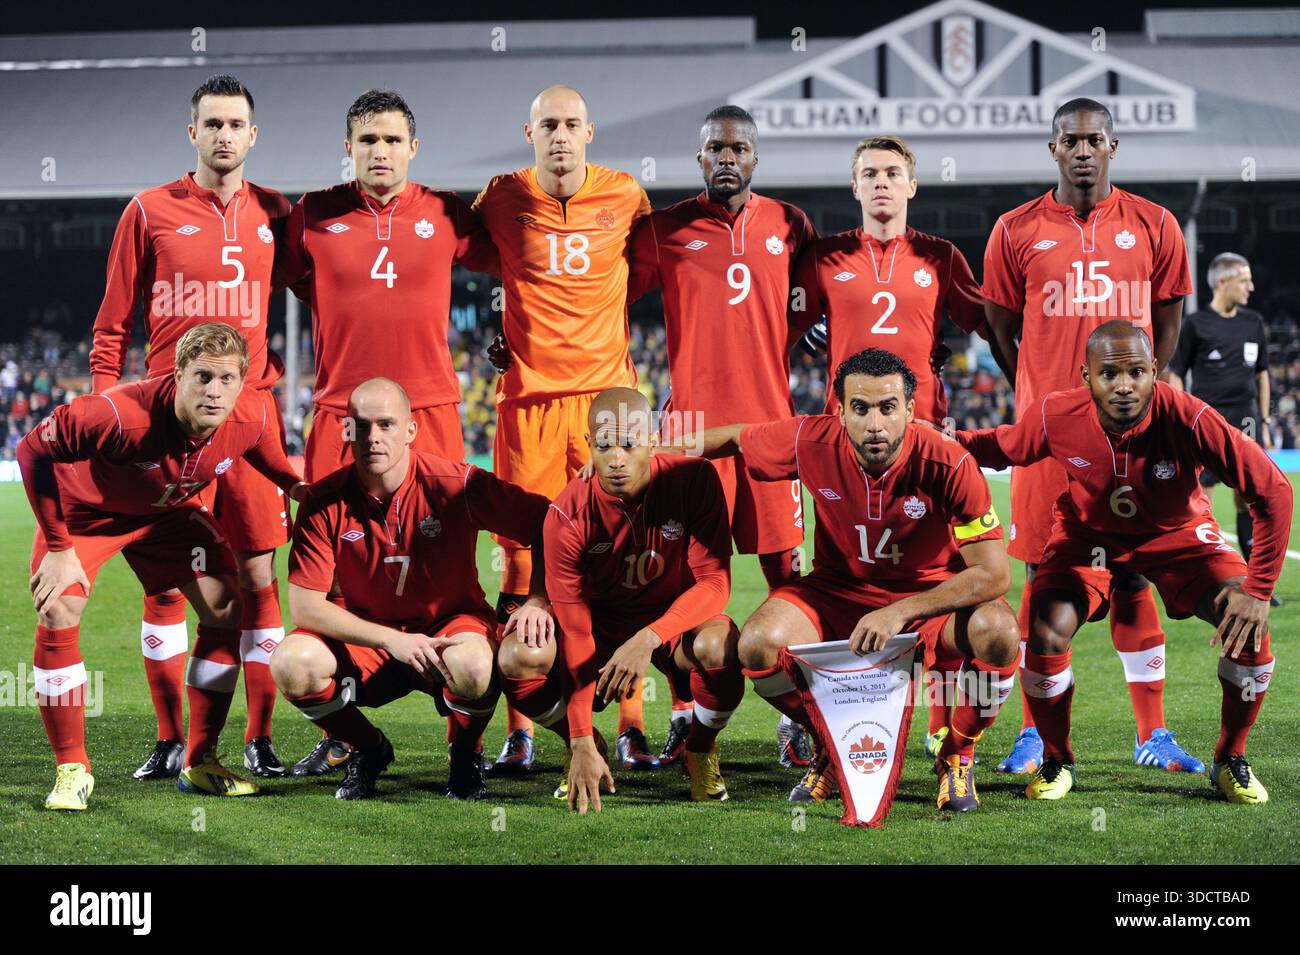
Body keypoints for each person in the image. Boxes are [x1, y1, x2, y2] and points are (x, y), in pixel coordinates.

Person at [672, 349, 1020, 812]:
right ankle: (832, 748)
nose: (874, 424)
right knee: (756, 644)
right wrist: (648, 452)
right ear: (839, 411)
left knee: (999, 633)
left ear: (911, 410)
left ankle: (957, 753)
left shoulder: (949, 462)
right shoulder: (810, 441)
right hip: (838, 592)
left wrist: (901, 611)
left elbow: (995, 573)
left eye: (887, 407)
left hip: (926, 599)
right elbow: (735, 439)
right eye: (860, 408)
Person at [957, 321, 1289, 803]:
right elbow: (1002, 446)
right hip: (1088, 536)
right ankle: (1057, 758)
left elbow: (1273, 490)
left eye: (1137, 372)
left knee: (1249, 628)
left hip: (1178, 537)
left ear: (1155, 371)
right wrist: (942, 441)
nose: (1125, 385)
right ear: (1086, 376)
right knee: (1045, 633)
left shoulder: (1190, 417)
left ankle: (1230, 758)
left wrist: (1258, 591)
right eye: (1110, 374)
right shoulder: (1056, 414)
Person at [279, 88, 499, 775]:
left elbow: (518, 265)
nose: (380, 151)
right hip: (339, 414)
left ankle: (464, 720)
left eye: (392, 140)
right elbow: (290, 281)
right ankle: (348, 733)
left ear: (414, 148)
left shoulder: (445, 211)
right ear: (348, 147)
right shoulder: (311, 214)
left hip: (430, 413)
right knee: (330, 573)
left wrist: (510, 336)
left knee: (450, 565)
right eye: (367, 140)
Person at [88, 75, 296, 780]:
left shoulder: (276, 214)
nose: (224, 135)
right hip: (168, 435)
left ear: (253, 135)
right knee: (168, 588)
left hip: (250, 429)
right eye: (212, 124)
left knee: (259, 581)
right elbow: (111, 327)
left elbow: (342, 285)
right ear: (193, 133)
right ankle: (171, 738)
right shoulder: (148, 212)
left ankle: (258, 738)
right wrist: (102, 425)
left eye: (236, 124)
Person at [981, 97, 1197, 775]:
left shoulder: (1154, 224)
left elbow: (1167, 319)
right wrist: (1042, 391)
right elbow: (998, 328)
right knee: (1042, 579)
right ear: (1052, 150)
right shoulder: (1014, 229)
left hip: (1132, 438)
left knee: (1132, 574)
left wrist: (1142, 397)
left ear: (1112, 146)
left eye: (1093, 139)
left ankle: (1153, 733)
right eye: (1069, 140)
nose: (1082, 149)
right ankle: (1033, 734)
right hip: (1051, 438)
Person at [20, 324, 308, 810]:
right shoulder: (116, 414)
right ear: (177, 375)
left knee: (226, 607)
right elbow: (32, 450)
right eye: (202, 377)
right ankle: (72, 770)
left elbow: (271, 460)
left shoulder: (253, 413)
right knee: (58, 610)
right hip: (88, 515)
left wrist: (304, 491)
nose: (215, 391)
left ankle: (201, 763)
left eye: (227, 379)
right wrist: (57, 546)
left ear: (242, 383)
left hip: (168, 515)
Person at [625, 104, 816, 769]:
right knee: (677, 581)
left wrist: (806, 329)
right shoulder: (663, 229)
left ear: (755, 157)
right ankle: (684, 710)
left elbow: (811, 298)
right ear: (699, 159)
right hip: (689, 435)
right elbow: (605, 295)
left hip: (769, 429)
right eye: (714, 149)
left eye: (738, 148)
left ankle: (800, 712)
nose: (726, 157)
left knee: (786, 576)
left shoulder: (790, 225)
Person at [474, 85, 656, 773]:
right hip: (529, 404)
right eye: (548, 124)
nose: (560, 135)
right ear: (530, 132)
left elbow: (639, 272)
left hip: (609, 403)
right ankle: (521, 725)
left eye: (571, 124)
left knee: (624, 557)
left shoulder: (626, 195)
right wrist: (507, 331)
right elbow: (474, 254)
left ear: (590, 131)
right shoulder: (501, 194)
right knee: (521, 557)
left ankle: (633, 723)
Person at [790, 135, 986, 759]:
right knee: (845, 575)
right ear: (854, 187)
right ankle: (832, 723)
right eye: (869, 173)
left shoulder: (940, 256)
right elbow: (777, 331)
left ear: (911, 185)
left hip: (926, 443)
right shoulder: (823, 257)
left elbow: (988, 323)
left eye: (892, 173)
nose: (881, 182)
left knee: (944, 572)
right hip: (845, 447)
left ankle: (943, 733)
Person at [272, 377, 552, 800]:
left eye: (386, 424)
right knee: (291, 663)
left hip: (448, 627)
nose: (374, 437)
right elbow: (307, 609)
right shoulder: (323, 500)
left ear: (410, 431)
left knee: (476, 666)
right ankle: (368, 748)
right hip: (369, 634)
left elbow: (548, 521)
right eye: (361, 425)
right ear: (346, 430)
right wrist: (391, 641)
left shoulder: (457, 485)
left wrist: (538, 598)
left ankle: (465, 756)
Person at [496, 388, 742, 811]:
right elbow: (574, 631)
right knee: (518, 657)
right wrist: (580, 739)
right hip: (599, 633)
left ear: (652, 440)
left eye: (629, 444)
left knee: (720, 645)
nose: (615, 458)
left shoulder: (695, 480)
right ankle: (586, 751)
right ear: (589, 445)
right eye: (604, 445)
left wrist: (648, 638)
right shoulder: (566, 514)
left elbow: (714, 584)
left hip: (670, 626)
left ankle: (699, 750)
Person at [1168, 253, 1281, 607]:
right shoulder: (1196, 324)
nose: (1251, 287)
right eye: (1244, 280)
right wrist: (1178, 418)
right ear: (1222, 281)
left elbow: (1262, 373)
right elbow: (1175, 372)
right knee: (1202, 503)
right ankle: (1210, 578)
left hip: (1246, 421)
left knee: (1252, 499)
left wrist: (1264, 421)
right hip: (1206, 424)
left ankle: (1252, 575)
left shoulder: (1254, 323)